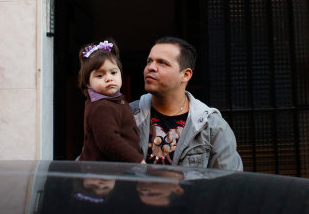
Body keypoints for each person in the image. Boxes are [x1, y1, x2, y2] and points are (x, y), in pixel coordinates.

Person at [130, 36, 243, 171]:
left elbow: (229, 183)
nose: (151, 67)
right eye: (149, 61)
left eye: (162, 63)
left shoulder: (211, 127)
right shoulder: (127, 115)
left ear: (186, 75)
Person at [78, 39, 144, 163]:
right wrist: (138, 160)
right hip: (103, 173)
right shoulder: (102, 107)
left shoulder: (115, 100)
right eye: (100, 75)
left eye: (113, 72)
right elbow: (109, 141)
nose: (109, 78)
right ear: (88, 83)